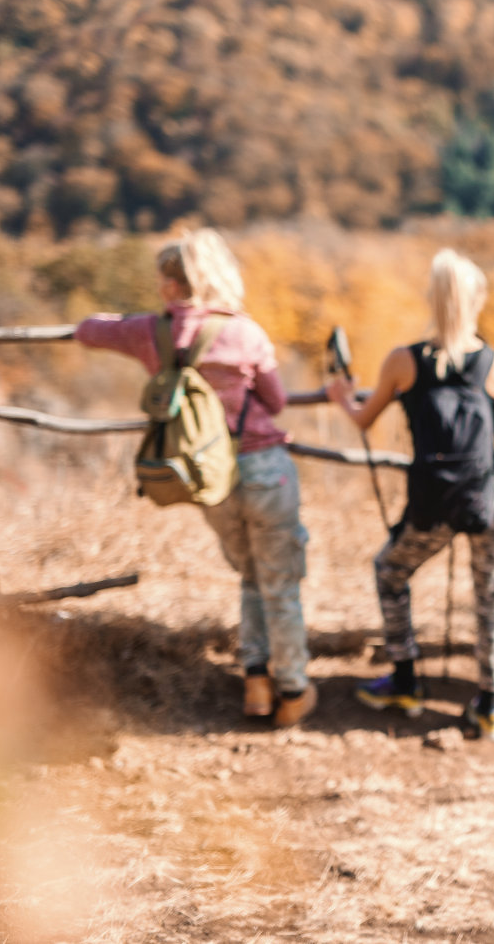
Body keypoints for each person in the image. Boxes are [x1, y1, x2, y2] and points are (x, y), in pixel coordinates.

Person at [76, 228, 314, 726]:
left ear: (170, 283)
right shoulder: (243, 331)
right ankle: (292, 689)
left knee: (249, 575)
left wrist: (120, 322)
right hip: (265, 470)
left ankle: (255, 681)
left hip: (208, 478)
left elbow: (88, 330)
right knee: (280, 583)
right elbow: (274, 401)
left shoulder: (151, 333)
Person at [327, 249, 494, 742]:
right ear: (478, 301)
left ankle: (406, 680)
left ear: (432, 301)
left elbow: (362, 418)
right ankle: (492, 706)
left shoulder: (402, 362)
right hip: (489, 500)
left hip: (432, 503)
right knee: (493, 595)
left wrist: (341, 395)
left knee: (390, 570)